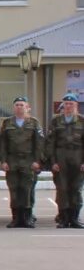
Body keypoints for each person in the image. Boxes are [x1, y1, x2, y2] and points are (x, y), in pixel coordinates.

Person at [0, 96, 45, 229]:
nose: (19, 107)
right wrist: (3, 160)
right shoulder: (7, 123)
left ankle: (27, 218)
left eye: (21, 105)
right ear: (14, 108)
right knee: (14, 189)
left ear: (27, 107)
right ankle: (16, 219)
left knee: (26, 189)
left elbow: (39, 143)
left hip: (28, 160)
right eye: (17, 105)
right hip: (12, 160)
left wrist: (37, 161)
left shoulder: (34, 123)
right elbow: (3, 143)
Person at [45, 91, 83, 229]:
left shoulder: (82, 121)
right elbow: (51, 143)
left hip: (78, 157)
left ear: (76, 105)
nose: (68, 106)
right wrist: (53, 162)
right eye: (66, 104)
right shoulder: (56, 121)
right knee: (62, 189)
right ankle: (63, 219)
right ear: (63, 105)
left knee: (76, 189)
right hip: (61, 157)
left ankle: (74, 218)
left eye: (71, 104)